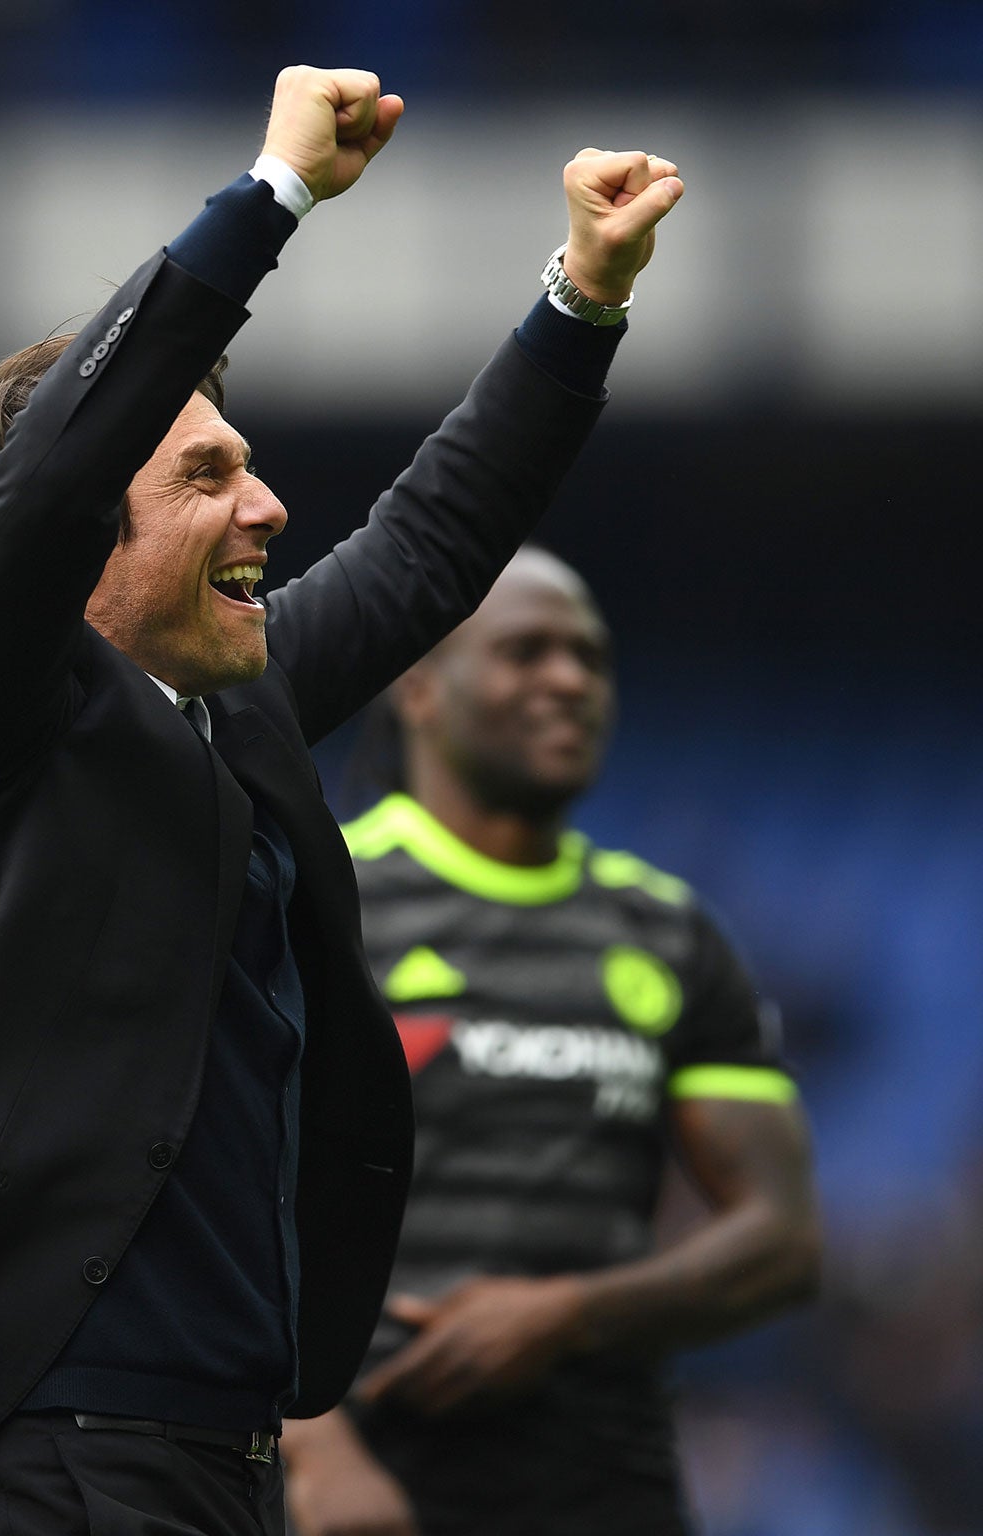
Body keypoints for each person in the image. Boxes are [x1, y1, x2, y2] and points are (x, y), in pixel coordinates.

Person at [0, 63, 685, 1535]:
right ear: (90, 521)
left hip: (224, 1453)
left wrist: (581, 300)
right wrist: (271, 197)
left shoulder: (239, 706)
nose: (268, 508)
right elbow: (37, 492)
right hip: (43, 1448)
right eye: (208, 475)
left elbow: (430, 543)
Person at [281, 548, 821, 1536]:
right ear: (417, 687)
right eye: (524, 653)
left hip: (604, 1486)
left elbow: (780, 1243)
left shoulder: (667, 931)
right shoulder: (321, 900)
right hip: (363, 1488)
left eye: (588, 658)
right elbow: (190, 1196)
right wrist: (312, 1451)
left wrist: (565, 1314)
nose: (567, 680)